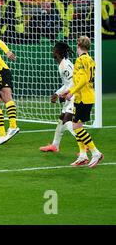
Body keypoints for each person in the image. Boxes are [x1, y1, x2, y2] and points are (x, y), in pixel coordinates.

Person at [60, 36, 104, 167]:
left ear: (78, 44)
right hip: (84, 96)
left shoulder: (80, 60)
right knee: (76, 125)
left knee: (77, 128)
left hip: (83, 98)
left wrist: (72, 92)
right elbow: (81, 81)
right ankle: (83, 155)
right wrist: (70, 91)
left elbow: (83, 80)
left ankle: (96, 153)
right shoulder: (90, 59)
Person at [40, 42, 77, 152]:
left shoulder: (65, 65)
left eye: (54, 50)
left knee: (67, 120)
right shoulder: (62, 64)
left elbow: (74, 82)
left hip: (74, 95)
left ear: (58, 52)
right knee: (62, 119)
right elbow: (67, 84)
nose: (53, 52)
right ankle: (55, 145)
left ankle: (85, 144)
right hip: (70, 94)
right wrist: (57, 93)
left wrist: (64, 94)